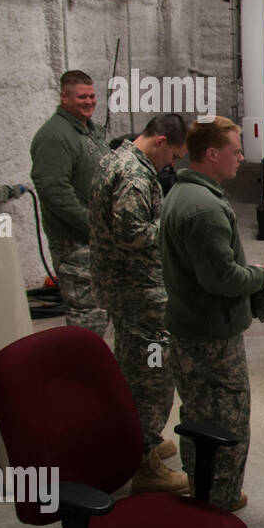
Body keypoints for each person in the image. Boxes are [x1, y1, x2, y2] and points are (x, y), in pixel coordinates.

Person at [159, 116, 264, 528]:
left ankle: (207, 499)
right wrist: (263, 275)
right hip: (211, 336)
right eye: (233, 149)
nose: (241, 157)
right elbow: (221, 277)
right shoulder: (204, 208)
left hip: (194, 329)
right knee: (224, 429)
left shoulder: (185, 193)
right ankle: (219, 520)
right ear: (211, 154)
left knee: (200, 421)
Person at [89, 113, 190, 495]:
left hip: (122, 287)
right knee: (152, 371)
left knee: (132, 363)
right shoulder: (135, 174)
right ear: (162, 141)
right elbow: (131, 234)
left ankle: (137, 438)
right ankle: (144, 459)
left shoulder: (114, 157)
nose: (173, 164)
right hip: (138, 291)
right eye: (175, 155)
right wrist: (174, 226)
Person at [30, 70, 110, 334]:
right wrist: (93, 225)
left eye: (92, 96)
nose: (89, 102)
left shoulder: (90, 130)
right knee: (87, 316)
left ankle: (95, 370)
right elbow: (55, 192)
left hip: (96, 238)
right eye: (81, 97)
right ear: (64, 97)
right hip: (74, 243)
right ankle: (81, 372)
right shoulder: (53, 136)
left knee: (101, 310)